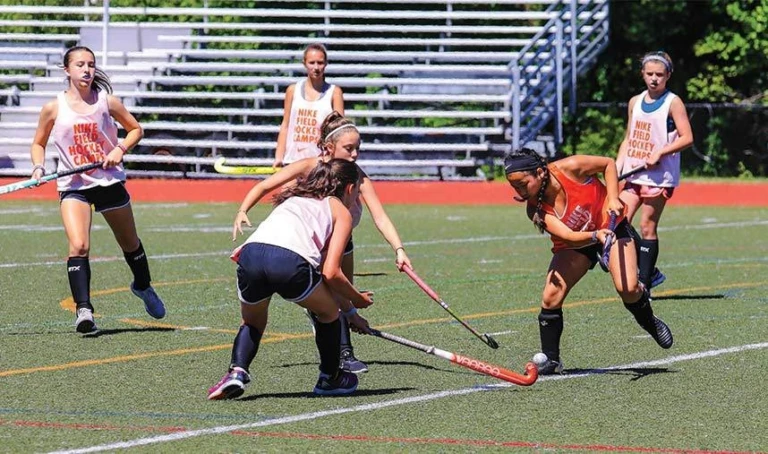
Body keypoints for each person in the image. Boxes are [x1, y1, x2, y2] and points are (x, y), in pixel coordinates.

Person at [233, 111, 412, 374]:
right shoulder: (309, 167)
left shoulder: (358, 177)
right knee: (332, 298)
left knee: (341, 293)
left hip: (341, 236)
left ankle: (345, 352)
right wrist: (243, 210)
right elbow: (265, 186)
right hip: (310, 240)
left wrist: (398, 249)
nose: (355, 155)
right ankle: (334, 363)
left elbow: (380, 217)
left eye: (357, 149)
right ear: (329, 148)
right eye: (349, 148)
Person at [208, 159, 373, 399]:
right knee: (328, 314)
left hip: (251, 255)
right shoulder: (341, 211)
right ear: (349, 189)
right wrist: (357, 300)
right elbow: (331, 273)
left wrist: (353, 315)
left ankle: (236, 372)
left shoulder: (294, 199)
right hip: (287, 262)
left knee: (252, 322)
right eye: (357, 190)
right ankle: (330, 378)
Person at [29, 46, 165, 334]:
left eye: (91, 64)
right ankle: (84, 310)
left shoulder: (108, 102)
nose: (87, 69)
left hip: (108, 181)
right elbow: (38, 143)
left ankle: (142, 285)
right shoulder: (53, 107)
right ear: (67, 70)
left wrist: (119, 148)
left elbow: (135, 129)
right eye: (80, 64)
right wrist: (39, 167)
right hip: (73, 185)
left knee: (130, 243)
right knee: (78, 245)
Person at [503, 148, 673, 375]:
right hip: (577, 243)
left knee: (628, 288)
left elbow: (608, 164)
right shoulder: (534, 208)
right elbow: (567, 236)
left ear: (540, 173)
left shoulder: (570, 167)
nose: (520, 191)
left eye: (523, 184)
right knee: (550, 296)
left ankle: (649, 321)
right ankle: (551, 360)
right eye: (515, 187)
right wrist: (596, 236)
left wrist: (613, 198)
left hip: (612, 226)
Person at [616, 51, 693, 292]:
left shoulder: (673, 102)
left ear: (668, 75)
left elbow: (687, 137)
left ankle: (645, 283)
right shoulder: (635, 102)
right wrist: (617, 168)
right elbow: (629, 137)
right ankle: (653, 271)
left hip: (659, 176)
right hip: (633, 173)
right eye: (649, 73)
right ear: (642, 74)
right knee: (618, 222)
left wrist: (661, 152)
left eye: (659, 74)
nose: (654, 79)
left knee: (647, 226)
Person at [273, 43, 344, 168]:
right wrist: (279, 156)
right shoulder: (292, 90)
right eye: (312, 63)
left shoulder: (334, 92)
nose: (316, 67)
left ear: (326, 64)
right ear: (304, 63)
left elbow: (340, 131)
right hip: (293, 160)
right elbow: (285, 125)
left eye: (320, 63)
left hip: (320, 163)